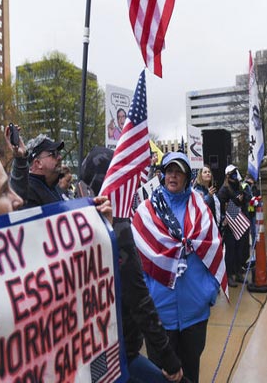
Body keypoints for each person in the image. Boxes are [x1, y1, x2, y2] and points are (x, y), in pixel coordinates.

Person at [78, 146, 184, 383]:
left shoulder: (78, 226)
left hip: (97, 352)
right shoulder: (117, 228)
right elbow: (139, 301)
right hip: (118, 354)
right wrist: (168, 356)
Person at [133, 152, 226, 383]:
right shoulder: (145, 212)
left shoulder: (202, 209)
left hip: (195, 313)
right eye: (169, 170)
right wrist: (149, 297)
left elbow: (215, 248)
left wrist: (209, 293)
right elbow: (136, 263)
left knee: (190, 374)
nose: (173, 175)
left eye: (179, 171)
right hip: (159, 316)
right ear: (163, 174)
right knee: (161, 376)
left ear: (187, 176)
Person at [7, 131, 66, 208]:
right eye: (54, 154)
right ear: (38, 163)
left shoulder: (54, 187)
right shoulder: (27, 191)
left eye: (59, 153)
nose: (60, 157)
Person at [217, 164, 250, 287]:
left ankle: (237, 272)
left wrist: (241, 198)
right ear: (228, 175)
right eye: (233, 173)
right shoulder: (224, 189)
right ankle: (229, 275)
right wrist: (236, 201)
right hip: (230, 223)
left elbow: (246, 197)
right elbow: (222, 205)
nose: (235, 175)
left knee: (239, 248)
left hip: (239, 221)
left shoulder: (238, 186)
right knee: (230, 250)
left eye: (236, 172)